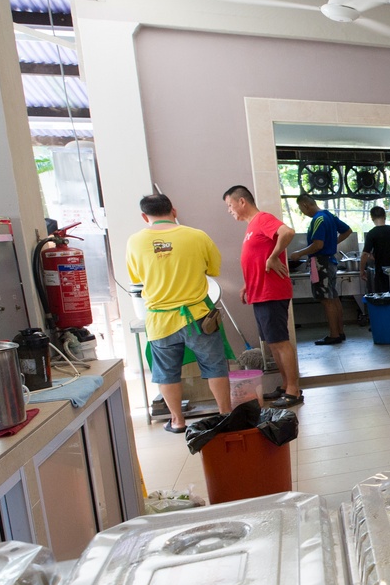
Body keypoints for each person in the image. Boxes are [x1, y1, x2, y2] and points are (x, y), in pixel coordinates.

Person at [125, 193, 230, 432]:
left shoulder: (135, 241)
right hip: (198, 317)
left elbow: (136, 277)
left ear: (144, 216)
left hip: (160, 320)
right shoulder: (197, 236)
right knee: (215, 366)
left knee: (166, 373)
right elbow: (213, 269)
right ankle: (225, 415)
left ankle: (177, 421)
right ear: (174, 211)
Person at [222, 185, 302, 406]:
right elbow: (256, 258)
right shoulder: (251, 227)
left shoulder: (262, 218)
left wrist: (274, 256)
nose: (229, 210)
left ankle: (293, 390)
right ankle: (285, 385)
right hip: (259, 292)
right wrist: (248, 285)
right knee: (273, 343)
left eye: (230, 205)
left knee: (280, 342)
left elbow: (288, 232)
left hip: (271, 292)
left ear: (242, 202)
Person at [289, 194, 352, 345]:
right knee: (333, 298)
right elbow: (348, 230)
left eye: (301, 208)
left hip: (321, 263)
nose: (302, 212)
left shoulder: (318, 219)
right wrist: (333, 243)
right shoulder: (328, 216)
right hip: (330, 261)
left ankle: (334, 335)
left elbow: (318, 245)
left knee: (326, 300)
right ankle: (340, 332)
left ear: (305, 205)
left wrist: (299, 253)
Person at [359, 205, 390, 295]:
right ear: (385, 216)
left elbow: (365, 254)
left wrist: (362, 271)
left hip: (381, 272)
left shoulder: (372, 233)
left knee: (384, 297)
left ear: (372, 218)